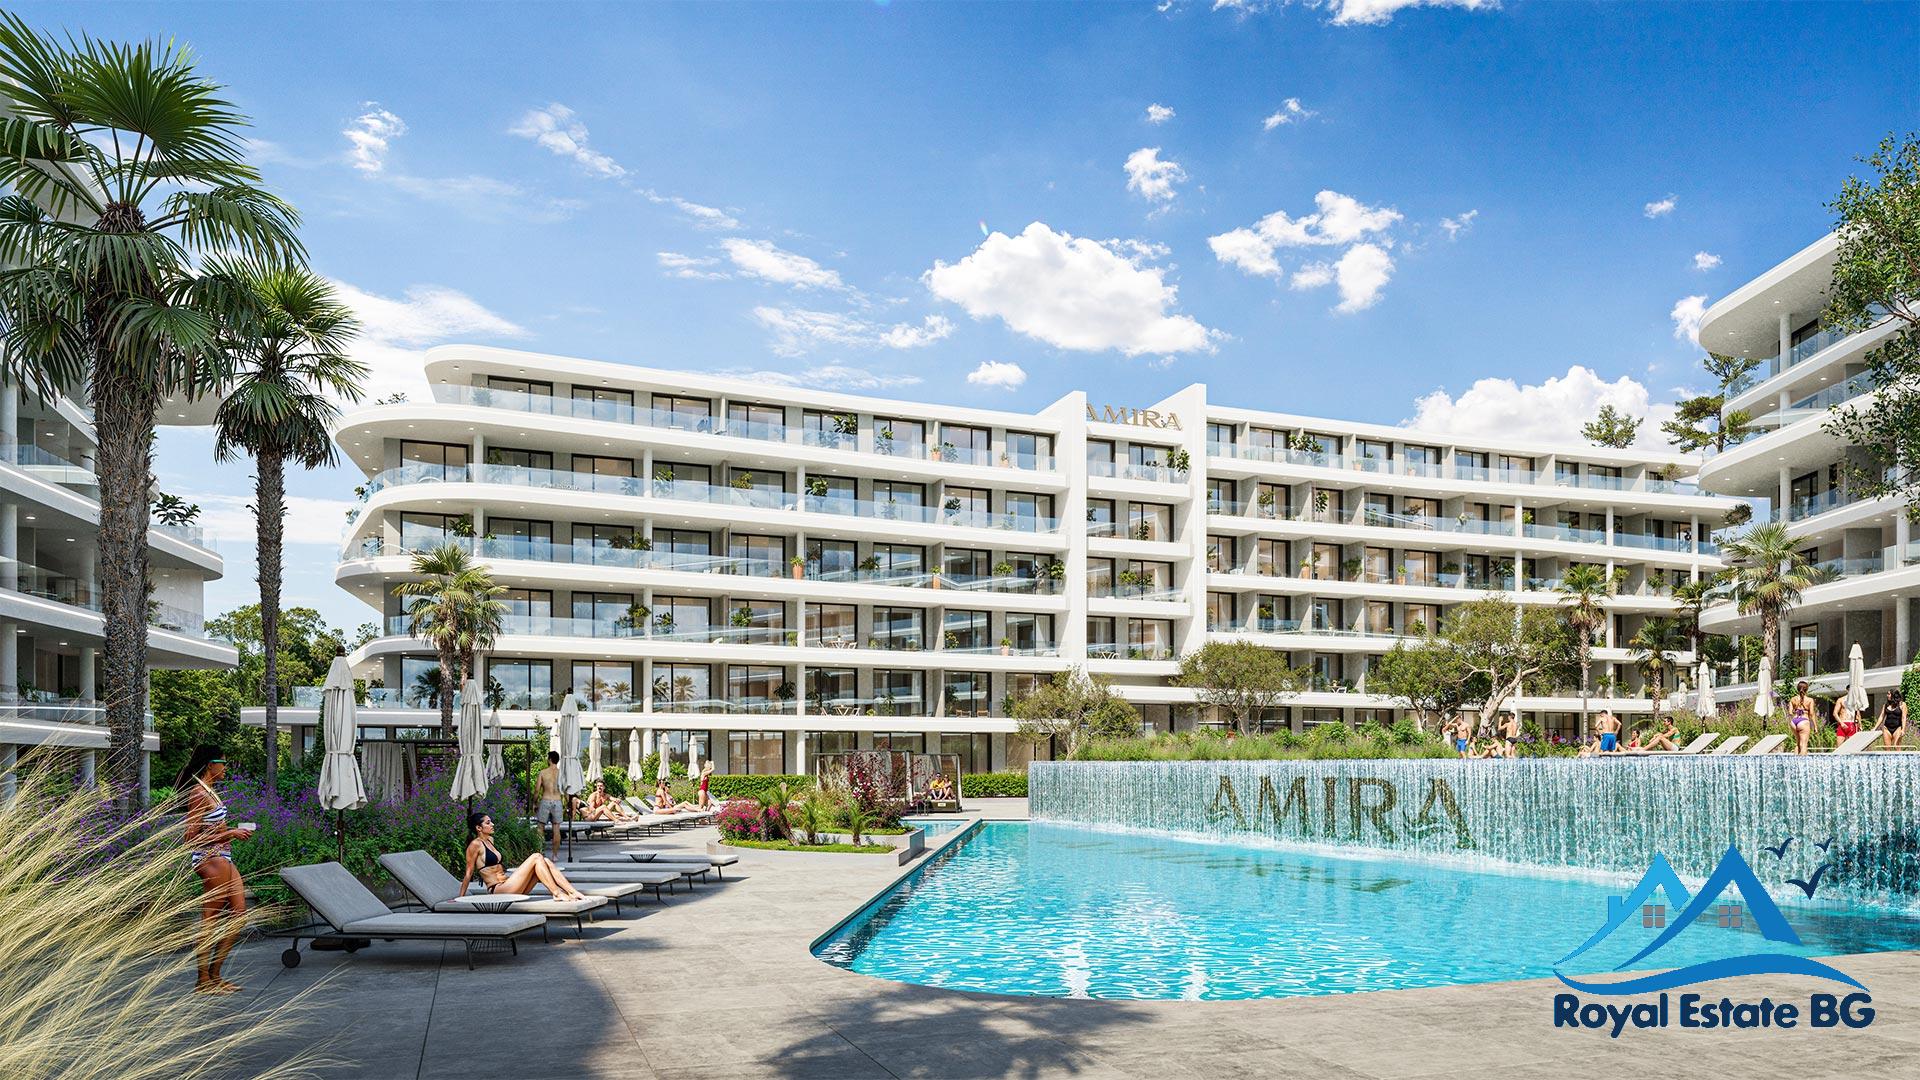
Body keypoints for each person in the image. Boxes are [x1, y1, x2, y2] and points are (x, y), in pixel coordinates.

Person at [176, 746, 253, 994]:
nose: (226, 768)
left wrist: (230, 832)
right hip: (210, 859)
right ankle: (203, 981)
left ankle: (215, 976)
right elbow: (190, 839)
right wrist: (230, 833)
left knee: (239, 915)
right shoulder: (198, 793)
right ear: (210, 765)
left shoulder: (210, 791)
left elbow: (213, 827)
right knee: (210, 920)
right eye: (223, 763)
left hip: (223, 857)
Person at [459, 813, 590, 901]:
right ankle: (557, 893)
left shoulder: (490, 840)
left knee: (545, 861)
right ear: (478, 828)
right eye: (488, 823)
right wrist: (460, 897)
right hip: (498, 890)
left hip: (510, 886)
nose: (492, 824)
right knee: (536, 857)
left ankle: (572, 891)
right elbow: (468, 873)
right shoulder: (475, 845)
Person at [533, 750, 564, 856]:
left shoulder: (543, 773)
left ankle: (540, 853)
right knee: (556, 829)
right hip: (557, 801)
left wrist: (534, 802)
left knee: (540, 827)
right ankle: (554, 856)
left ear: (549, 759)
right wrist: (568, 804)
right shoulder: (561, 774)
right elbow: (566, 790)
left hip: (545, 800)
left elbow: (537, 790)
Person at [1787, 681, 1819, 755]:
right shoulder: (1810, 700)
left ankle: (1795, 761)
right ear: (1806, 689)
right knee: (1804, 744)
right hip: (1803, 721)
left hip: (1794, 721)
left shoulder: (1793, 699)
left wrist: (1797, 711)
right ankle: (1802, 762)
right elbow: (1811, 714)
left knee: (1798, 743)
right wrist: (1815, 726)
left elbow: (1790, 712)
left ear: (1797, 689)